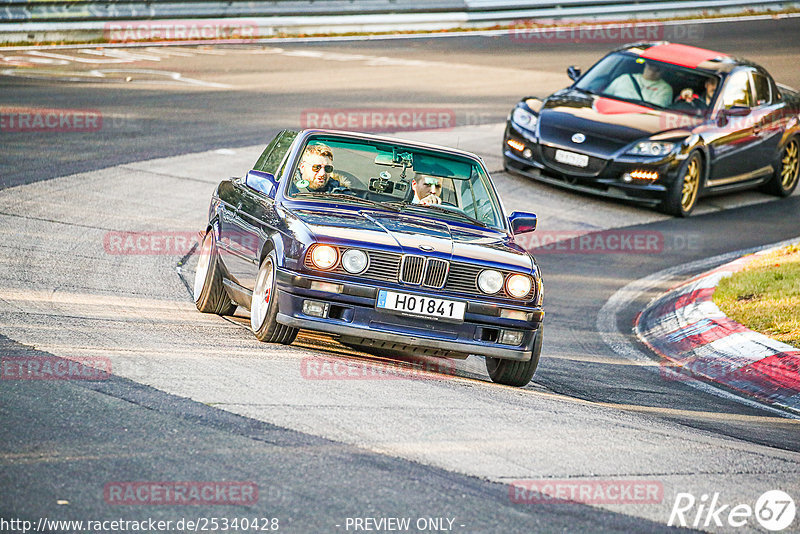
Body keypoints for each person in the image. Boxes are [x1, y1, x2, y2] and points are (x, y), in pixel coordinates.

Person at [605, 60, 673, 107]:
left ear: (663, 71)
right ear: (645, 66)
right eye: (650, 68)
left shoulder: (665, 88)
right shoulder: (625, 78)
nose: (652, 72)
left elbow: (654, 108)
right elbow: (605, 96)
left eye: (657, 70)